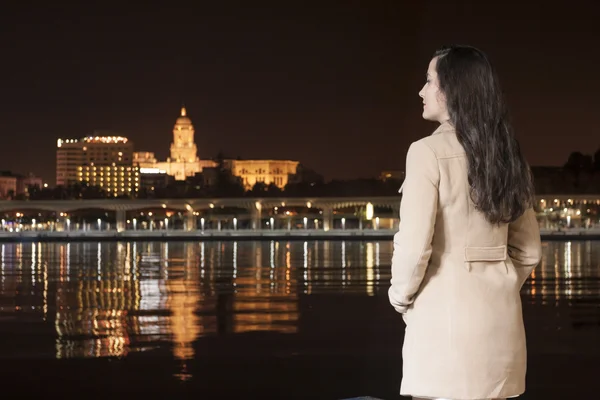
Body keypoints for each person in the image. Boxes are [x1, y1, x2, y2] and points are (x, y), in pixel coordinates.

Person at [388, 45, 542, 400]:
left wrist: (400, 298)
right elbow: (529, 251)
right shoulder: (507, 155)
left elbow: (414, 247)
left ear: (452, 89)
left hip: (445, 335)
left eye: (429, 81)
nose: (421, 91)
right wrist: (498, 283)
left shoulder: (426, 152)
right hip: (502, 333)